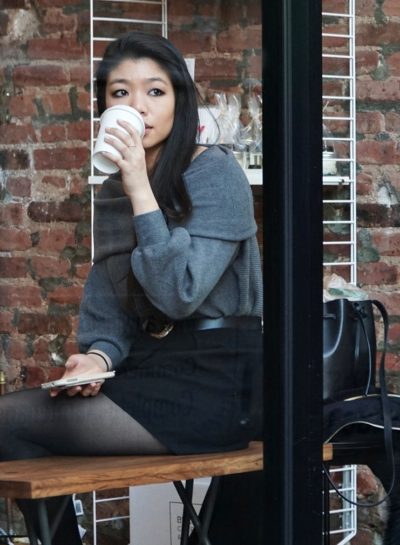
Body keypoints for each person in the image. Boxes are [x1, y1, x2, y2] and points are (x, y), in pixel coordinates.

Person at [0, 31, 263, 544]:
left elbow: (179, 292)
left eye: (155, 92)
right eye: (121, 93)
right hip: (145, 371)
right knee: (12, 424)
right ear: (103, 105)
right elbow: (108, 292)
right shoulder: (115, 185)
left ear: (180, 101)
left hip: (214, 381)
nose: (137, 107)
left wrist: (140, 185)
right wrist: (99, 355)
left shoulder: (217, 174)